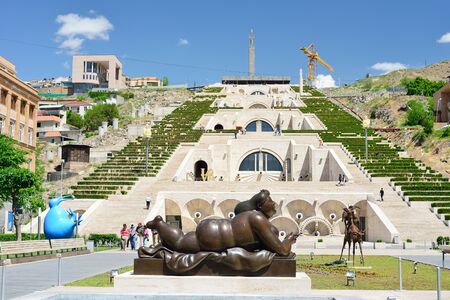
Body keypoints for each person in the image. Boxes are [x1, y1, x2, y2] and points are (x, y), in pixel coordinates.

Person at [145, 190, 299, 256]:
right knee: (179, 243)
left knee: (183, 239)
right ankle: (159, 224)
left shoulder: (253, 216)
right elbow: (281, 250)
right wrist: (288, 241)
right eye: (270, 201)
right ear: (260, 206)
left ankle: (161, 227)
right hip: (214, 237)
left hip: (214, 229)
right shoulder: (257, 219)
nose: (273, 204)